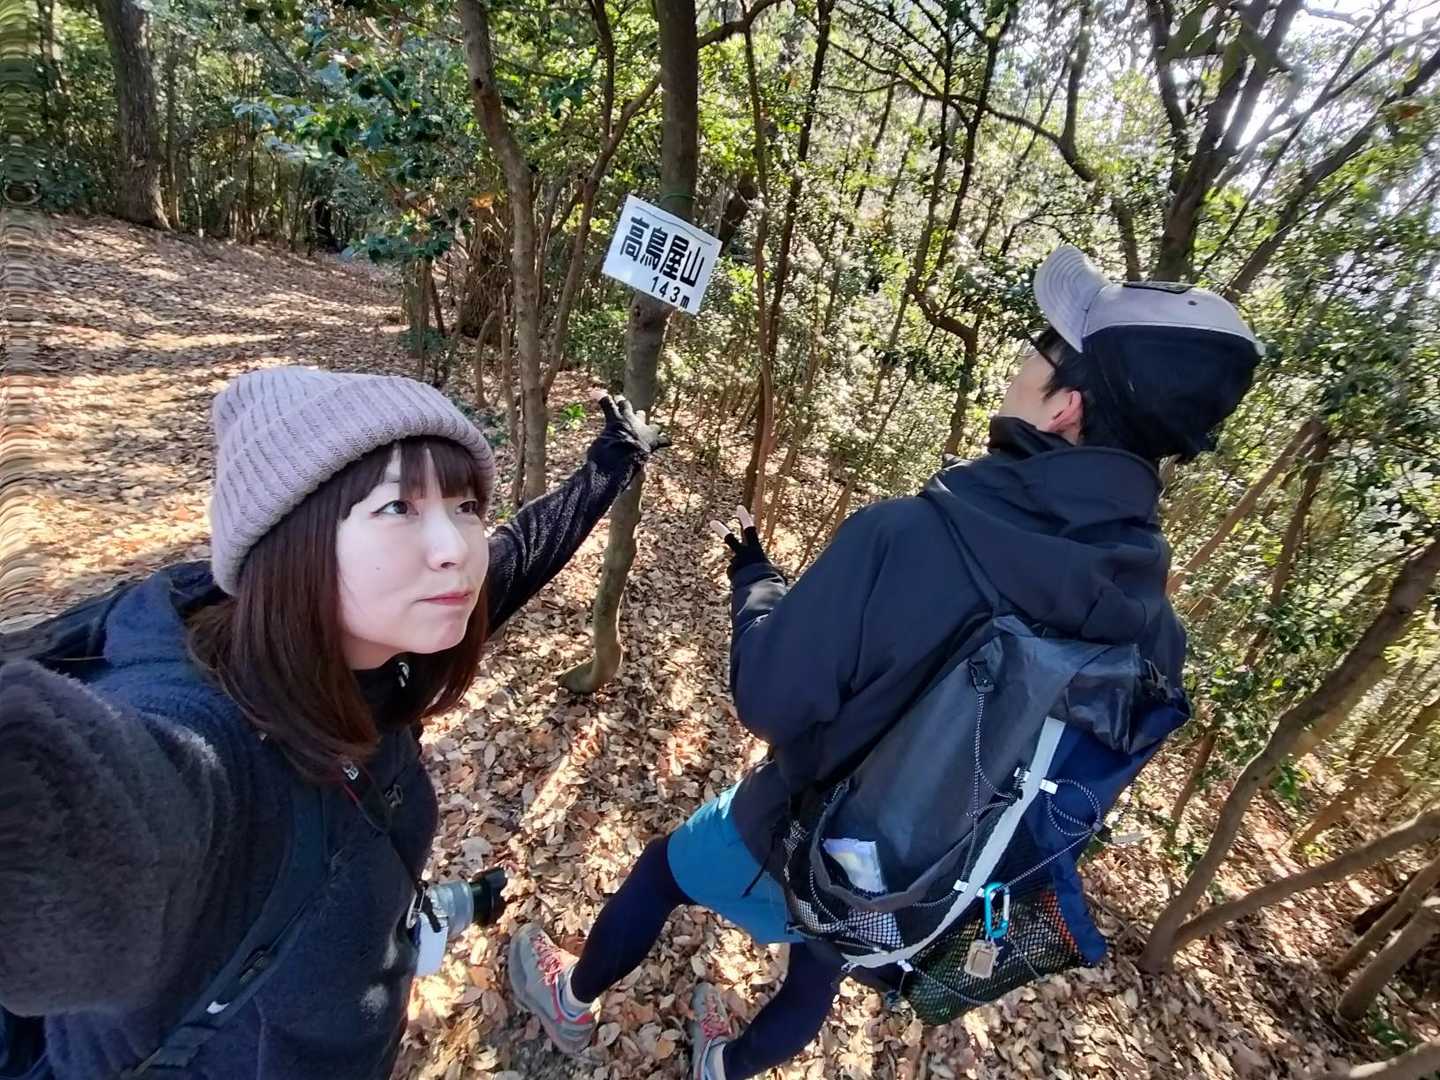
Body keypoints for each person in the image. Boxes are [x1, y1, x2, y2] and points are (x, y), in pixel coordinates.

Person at [507, 245, 1263, 1080]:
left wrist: (755, 583)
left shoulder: (909, 535)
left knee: (660, 873)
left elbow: (767, 698)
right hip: (917, 887)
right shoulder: (1156, 638)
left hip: (794, 826)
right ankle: (721, 1067)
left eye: (1042, 348)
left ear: (1064, 408)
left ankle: (570, 999)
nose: (1023, 359)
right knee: (815, 973)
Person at [0, 365, 667, 1079]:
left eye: (465, 505)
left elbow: (523, 551)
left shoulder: (396, 643)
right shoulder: (204, 743)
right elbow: (81, 812)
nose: (455, 546)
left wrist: (611, 461)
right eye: (398, 507)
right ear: (292, 536)